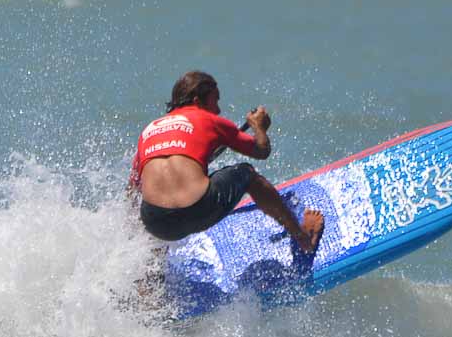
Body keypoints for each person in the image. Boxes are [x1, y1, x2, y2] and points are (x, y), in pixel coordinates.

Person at [129, 71, 323, 252]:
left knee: (155, 218)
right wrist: (259, 126)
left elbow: (133, 189)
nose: (218, 109)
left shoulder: (149, 130)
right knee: (247, 173)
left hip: (156, 222)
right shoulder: (208, 120)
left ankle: (150, 282)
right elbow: (262, 150)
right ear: (197, 101)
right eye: (215, 101)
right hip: (197, 210)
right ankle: (303, 237)